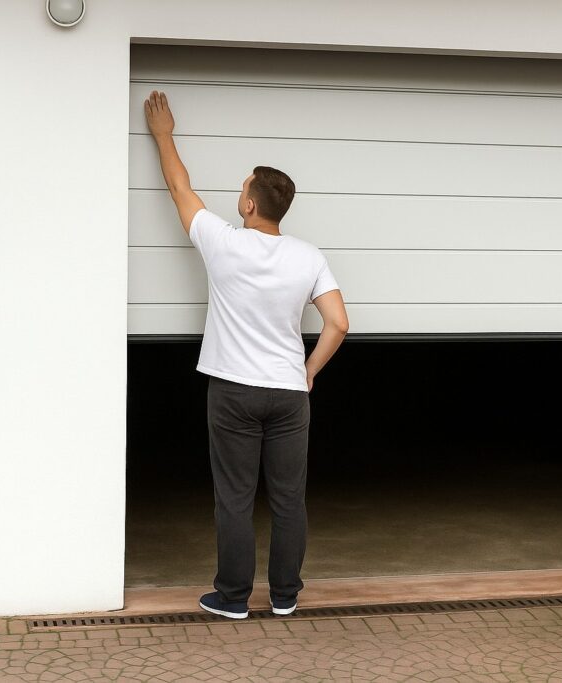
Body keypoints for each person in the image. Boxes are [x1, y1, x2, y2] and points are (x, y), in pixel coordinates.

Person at [144, 90, 350, 619]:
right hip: (287, 393)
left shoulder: (224, 241)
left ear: (251, 204)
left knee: (234, 497)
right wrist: (307, 372)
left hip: (233, 391)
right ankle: (285, 597)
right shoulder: (309, 256)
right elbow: (338, 324)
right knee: (288, 500)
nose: (238, 195)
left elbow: (178, 186)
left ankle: (232, 599)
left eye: (241, 189)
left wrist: (164, 134)